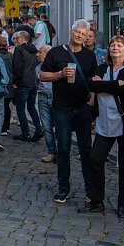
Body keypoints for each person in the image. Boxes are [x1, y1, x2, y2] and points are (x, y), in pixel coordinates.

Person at [39, 19, 97, 204]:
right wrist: (60, 74)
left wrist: (91, 102)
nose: (80, 36)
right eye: (77, 32)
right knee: (63, 149)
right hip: (62, 107)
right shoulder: (57, 52)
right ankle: (63, 188)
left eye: (83, 34)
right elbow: (42, 75)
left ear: (87, 36)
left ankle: (90, 190)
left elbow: (95, 80)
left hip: (82, 108)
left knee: (86, 149)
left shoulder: (89, 56)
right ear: (71, 32)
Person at [87, 36, 124, 218]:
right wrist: (116, 85)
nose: (115, 47)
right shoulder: (102, 68)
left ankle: (122, 203)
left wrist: (103, 85)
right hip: (104, 122)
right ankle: (97, 200)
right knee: (95, 159)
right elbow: (91, 84)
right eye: (113, 45)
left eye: (119, 45)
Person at [11, 30, 42, 142]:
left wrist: (15, 81)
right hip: (33, 81)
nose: (16, 40)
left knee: (20, 108)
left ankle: (26, 133)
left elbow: (17, 67)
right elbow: (37, 62)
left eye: (17, 38)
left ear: (23, 38)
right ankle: (38, 128)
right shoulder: (33, 48)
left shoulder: (19, 50)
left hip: (23, 82)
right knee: (31, 107)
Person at [36, 44, 57, 163]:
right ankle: (51, 152)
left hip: (55, 97)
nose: (38, 54)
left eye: (40, 52)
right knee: (47, 127)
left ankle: (61, 152)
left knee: (59, 126)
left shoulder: (56, 66)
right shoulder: (38, 68)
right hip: (43, 98)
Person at [0, 36, 15, 136]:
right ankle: (6, 127)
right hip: (11, 83)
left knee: (2, 106)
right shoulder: (11, 55)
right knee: (7, 106)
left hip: (1, 84)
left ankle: (2, 127)